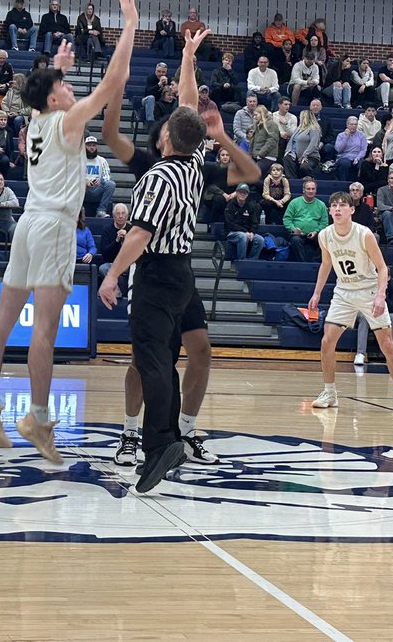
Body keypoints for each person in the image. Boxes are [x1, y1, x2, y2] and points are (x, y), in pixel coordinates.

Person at [0, 0, 139, 465]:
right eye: (67, 86)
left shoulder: (37, 123)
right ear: (54, 97)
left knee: (4, 319)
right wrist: (128, 24)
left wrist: (56, 71)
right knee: (44, 329)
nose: (73, 89)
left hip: (28, 223)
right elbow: (113, 82)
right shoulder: (67, 122)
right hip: (54, 228)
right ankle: (38, 419)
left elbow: (43, 93)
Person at [99, 27, 257, 470]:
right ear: (163, 137)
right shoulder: (150, 164)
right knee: (146, 359)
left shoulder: (190, 157)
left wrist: (188, 55)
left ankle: (183, 432)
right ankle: (134, 434)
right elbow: (115, 136)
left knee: (200, 349)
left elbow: (190, 107)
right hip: (148, 264)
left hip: (180, 267)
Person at [308, 191, 393, 414]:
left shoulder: (363, 234)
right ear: (329, 210)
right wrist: (317, 293)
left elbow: (383, 268)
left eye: (342, 205)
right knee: (327, 342)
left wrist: (380, 294)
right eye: (334, 205)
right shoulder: (325, 235)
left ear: (351, 210)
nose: (337, 209)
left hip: (368, 291)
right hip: (343, 292)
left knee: (387, 345)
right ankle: (330, 392)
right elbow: (326, 264)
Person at [284, 178, 328, 262]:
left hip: (315, 234)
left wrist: (316, 231)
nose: (311, 191)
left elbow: (324, 222)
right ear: (303, 190)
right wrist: (293, 229)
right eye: (308, 189)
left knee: (325, 238)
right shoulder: (294, 202)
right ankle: (304, 264)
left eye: (313, 189)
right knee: (295, 240)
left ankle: (316, 262)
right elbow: (287, 219)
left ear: (316, 190)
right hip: (298, 234)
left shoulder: (321, 205)